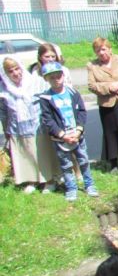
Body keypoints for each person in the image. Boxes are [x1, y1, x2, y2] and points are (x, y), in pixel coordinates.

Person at [39, 61, 99, 202]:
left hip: (77, 135)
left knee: (83, 160)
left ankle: (89, 184)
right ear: (46, 79)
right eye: (51, 77)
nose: (56, 80)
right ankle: (71, 188)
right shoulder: (46, 98)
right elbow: (48, 120)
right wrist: (62, 135)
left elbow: (82, 112)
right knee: (66, 165)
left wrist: (78, 130)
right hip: (60, 138)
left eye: (58, 76)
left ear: (63, 75)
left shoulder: (73, 93)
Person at [0, 57, 59, 194]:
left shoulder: (35, 82)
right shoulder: (4, 90)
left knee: (42, 153)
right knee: (26, 155)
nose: (15, 73)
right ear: (6, 74)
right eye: (11, 71)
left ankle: (49, 181)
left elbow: (49, 101)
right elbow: (3, 112)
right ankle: (32, 181)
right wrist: (6, 129)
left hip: (39, 126)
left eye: (17, 69)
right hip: (17, 128)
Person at [87, 37, 118, 174]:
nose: (101, 53)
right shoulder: (92, 66)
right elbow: (91, 86)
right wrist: (110, 88)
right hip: (106, 104)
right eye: (98, 51)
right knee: (110, 133)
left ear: (110, 49)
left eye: (103, 49)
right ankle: (113, 162)